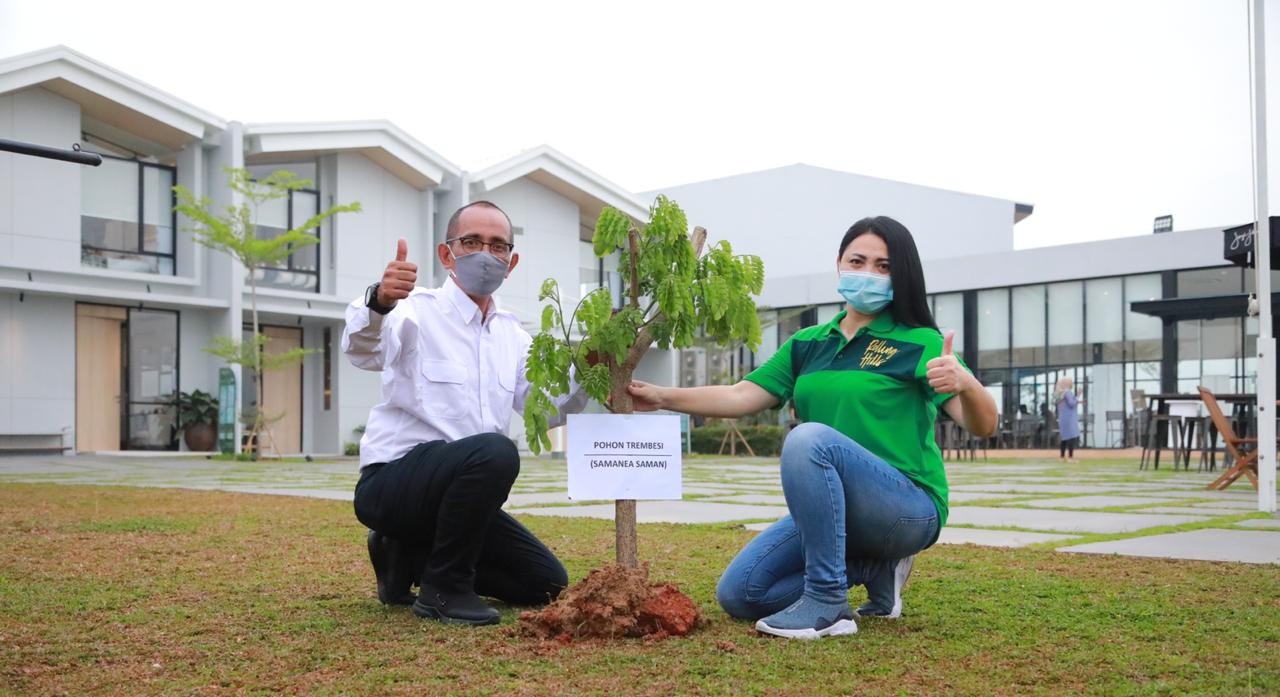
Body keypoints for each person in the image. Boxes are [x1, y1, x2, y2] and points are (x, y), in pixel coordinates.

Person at [628, 216, 997, 640]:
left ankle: (827, 603)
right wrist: (660, 397)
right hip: (835, 508)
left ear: (902, 275)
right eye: (858, 261)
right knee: (741, 593)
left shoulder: (921, 342)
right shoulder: (809, 343)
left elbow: (983, 424)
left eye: (884, 266)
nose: (868, 273)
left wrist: (966, 383)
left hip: (906, 508)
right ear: (839, 263)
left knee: (808, 438)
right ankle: (872, 568)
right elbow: (740, 395)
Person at [341, 201, 585, 626]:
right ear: (446, 253)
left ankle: (403, 554)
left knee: (545, 584)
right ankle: (443, 591)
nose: (485, 254)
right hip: (395, 482)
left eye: (497, 246)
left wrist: (592, 368)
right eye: (471, 242)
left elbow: (542, 409)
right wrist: (380, 302)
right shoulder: (413, 309)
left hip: (463, 499)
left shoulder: (513, 334)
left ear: (512, 261)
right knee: (496, 450)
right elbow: (363, 350)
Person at [1054, 376, 1082, 461]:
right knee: (1071, 437)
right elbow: (1072, 403)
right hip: (1070, 418)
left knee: (1064, 438)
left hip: (1063, 418)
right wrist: (1078, 396)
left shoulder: (1059, 393)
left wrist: (1076, 396)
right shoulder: (1067, 392)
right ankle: (1070, 457)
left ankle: (1062, 456)